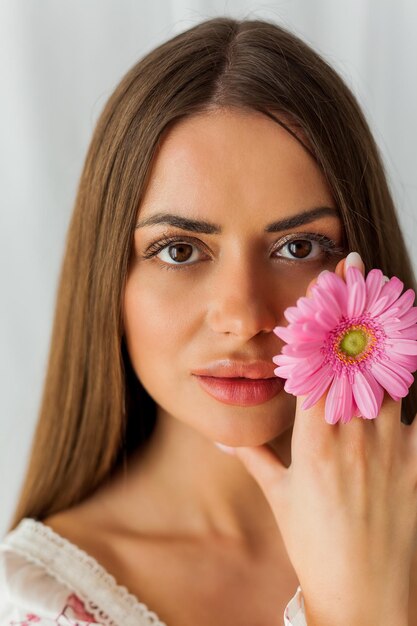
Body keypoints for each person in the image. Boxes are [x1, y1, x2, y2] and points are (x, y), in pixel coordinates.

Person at [1, 15, 417, 626]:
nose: (244, 317)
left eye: (298, 248)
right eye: (179, 250)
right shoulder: (39, 604)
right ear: (108, 282)